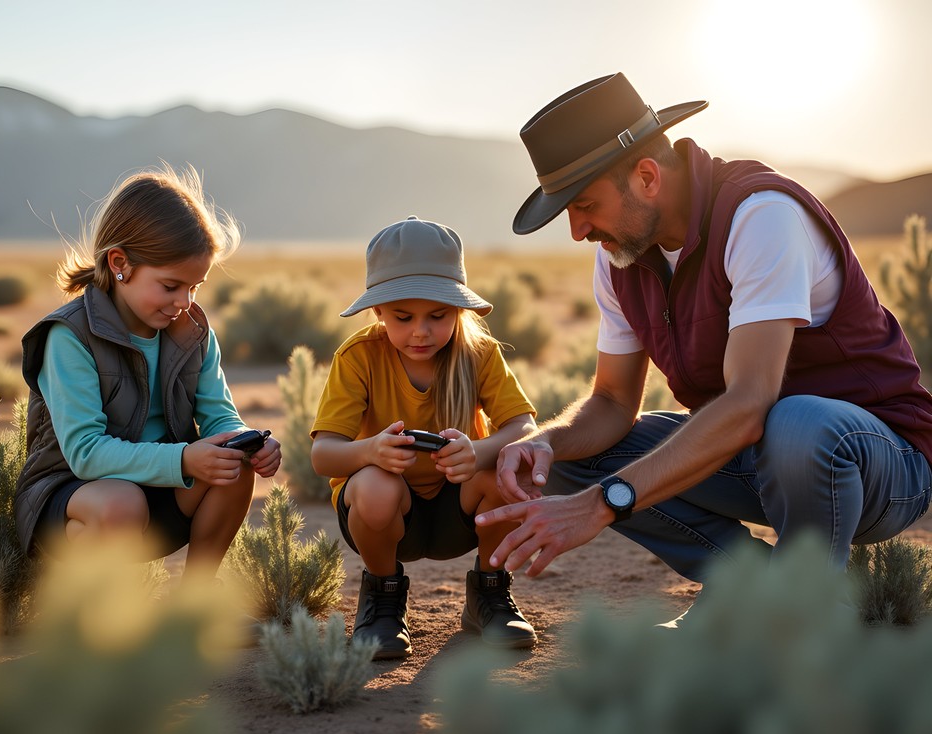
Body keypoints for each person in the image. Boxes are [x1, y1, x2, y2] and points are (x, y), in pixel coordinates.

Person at [476, 73, 932, 624]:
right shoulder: (620, 256)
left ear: (647, 177)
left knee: (797, 421)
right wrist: (546, 442)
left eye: (584, 205)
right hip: (759, 456)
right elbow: (613, 404)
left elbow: (748, 404)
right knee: (576, 458)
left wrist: (601, 505)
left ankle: (801, 611)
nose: (577, 231)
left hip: (877, 461)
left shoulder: (760, 216)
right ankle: (752, 585)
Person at [14, 164, 281, 589]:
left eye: (195, 287)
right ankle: (100, 612)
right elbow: (84, 452)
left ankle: (192, 606)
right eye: (171, 286)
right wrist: (183, 460)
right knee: (121, 502)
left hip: (160, 486)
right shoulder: (68, 336)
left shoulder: (192, 330)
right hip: (75, 495)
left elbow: (220, 417)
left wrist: (248, 440)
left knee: (235, 465)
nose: (184, 301)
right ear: (120, 264)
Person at [311, 215, 538, 658]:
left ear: (459, 310)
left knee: (509, 470)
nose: (421, 330)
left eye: (438, 315)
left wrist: (478, 451)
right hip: (387, 517)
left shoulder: (480, 353)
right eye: (403, 316)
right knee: (376, 485)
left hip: (459, 511)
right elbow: (323, 456)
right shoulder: (358, 357)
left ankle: (490, 593)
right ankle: (383, 597)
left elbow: (523, 429)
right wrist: (370, 451)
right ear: (377, 312)